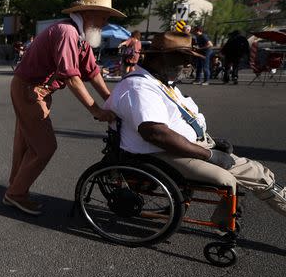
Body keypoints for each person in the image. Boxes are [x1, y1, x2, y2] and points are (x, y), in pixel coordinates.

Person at [104, 31, 286, 224]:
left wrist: (212, 143)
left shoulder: (161, 83)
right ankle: (224, 223)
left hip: (183, 147)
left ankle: (228, 217)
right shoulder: (140, 87)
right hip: (160, 152)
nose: (188, 64)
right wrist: (208, 155)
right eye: (183, 58)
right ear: (161, 57)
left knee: (257, 172)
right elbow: (155, 133)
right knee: (240, 178)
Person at [7, 0, 119, 215]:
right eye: (103, 16)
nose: (106, 22)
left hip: (35, 90)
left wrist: (111, 99)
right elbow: (71, 77)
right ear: (87, 14)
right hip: (29, 90)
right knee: (44, 147)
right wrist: (95, 109)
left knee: (26, 143)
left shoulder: (80, 35)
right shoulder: (68, 32)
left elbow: (92, 71)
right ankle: (15, 194)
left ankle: (15, 188)